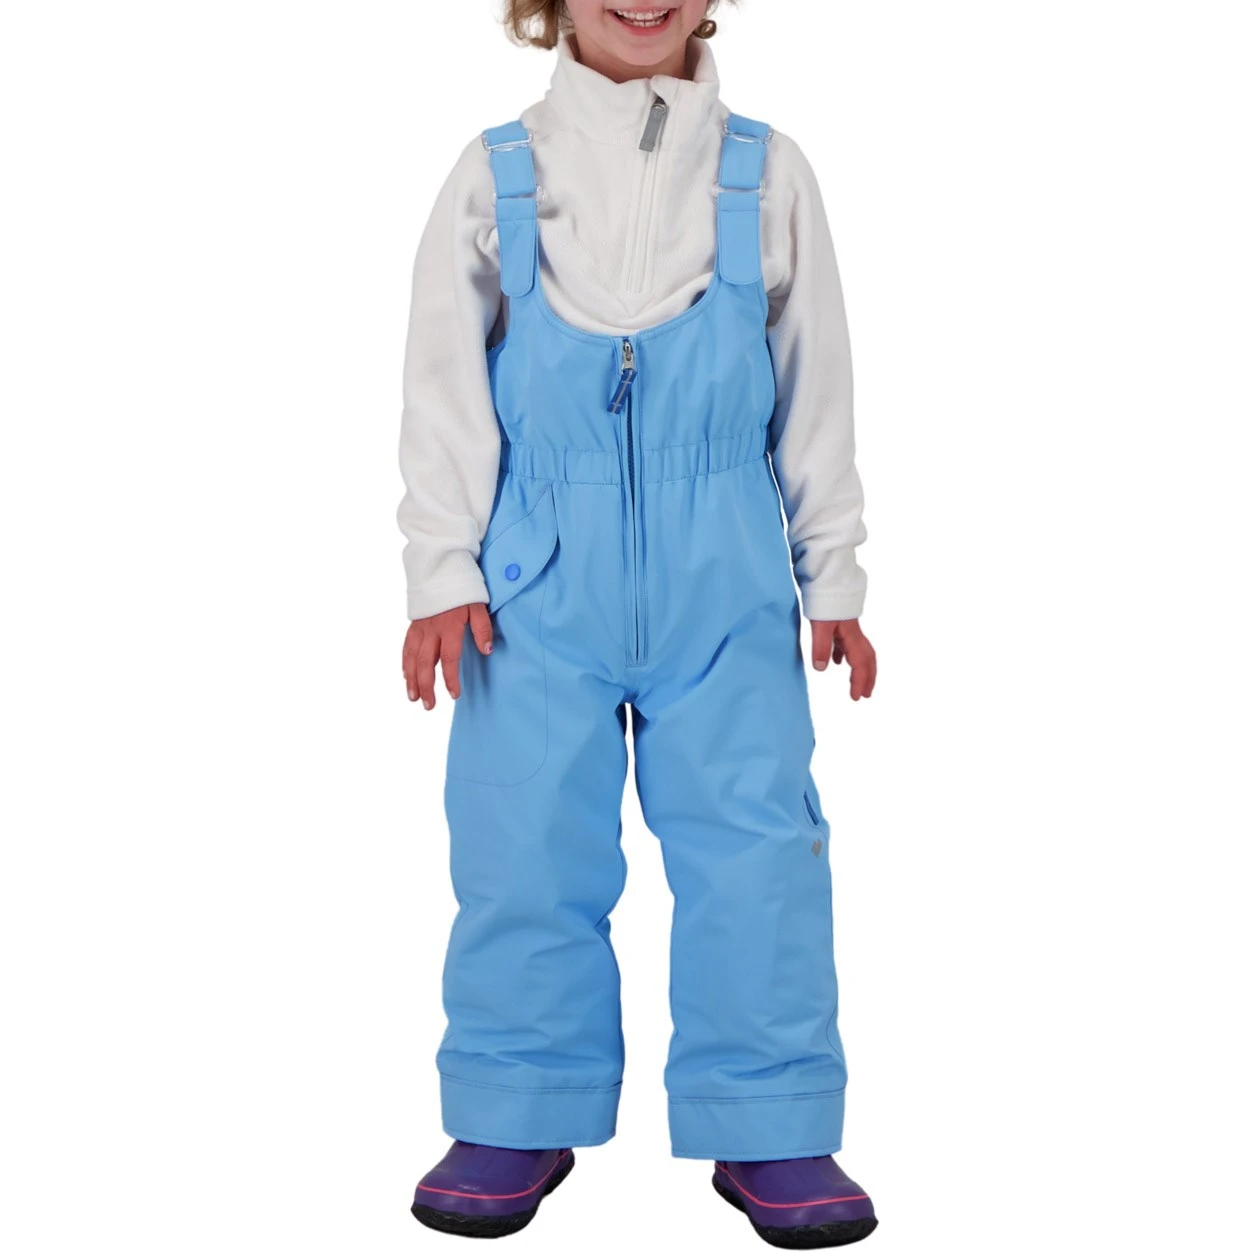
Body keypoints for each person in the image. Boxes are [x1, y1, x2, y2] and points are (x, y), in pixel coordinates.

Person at [397, 3, 878, 1244]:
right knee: (521, 841)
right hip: (534, 583)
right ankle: (516, 1101)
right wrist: (441, 569)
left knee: (758, 845)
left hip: (726, 573)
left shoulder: (765, 173)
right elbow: (444, 386)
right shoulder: (498, 173)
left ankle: (768, 1115)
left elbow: (815, 382)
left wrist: (832, 574)